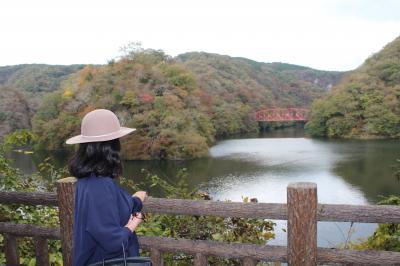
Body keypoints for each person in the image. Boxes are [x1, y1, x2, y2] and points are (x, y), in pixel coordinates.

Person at [65, 109, 148, 266]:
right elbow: (113, 241)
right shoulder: (100, 186)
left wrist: (137, 200)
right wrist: (134, 223)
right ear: (111, 147)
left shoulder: (87, 180)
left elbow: (111, 208)